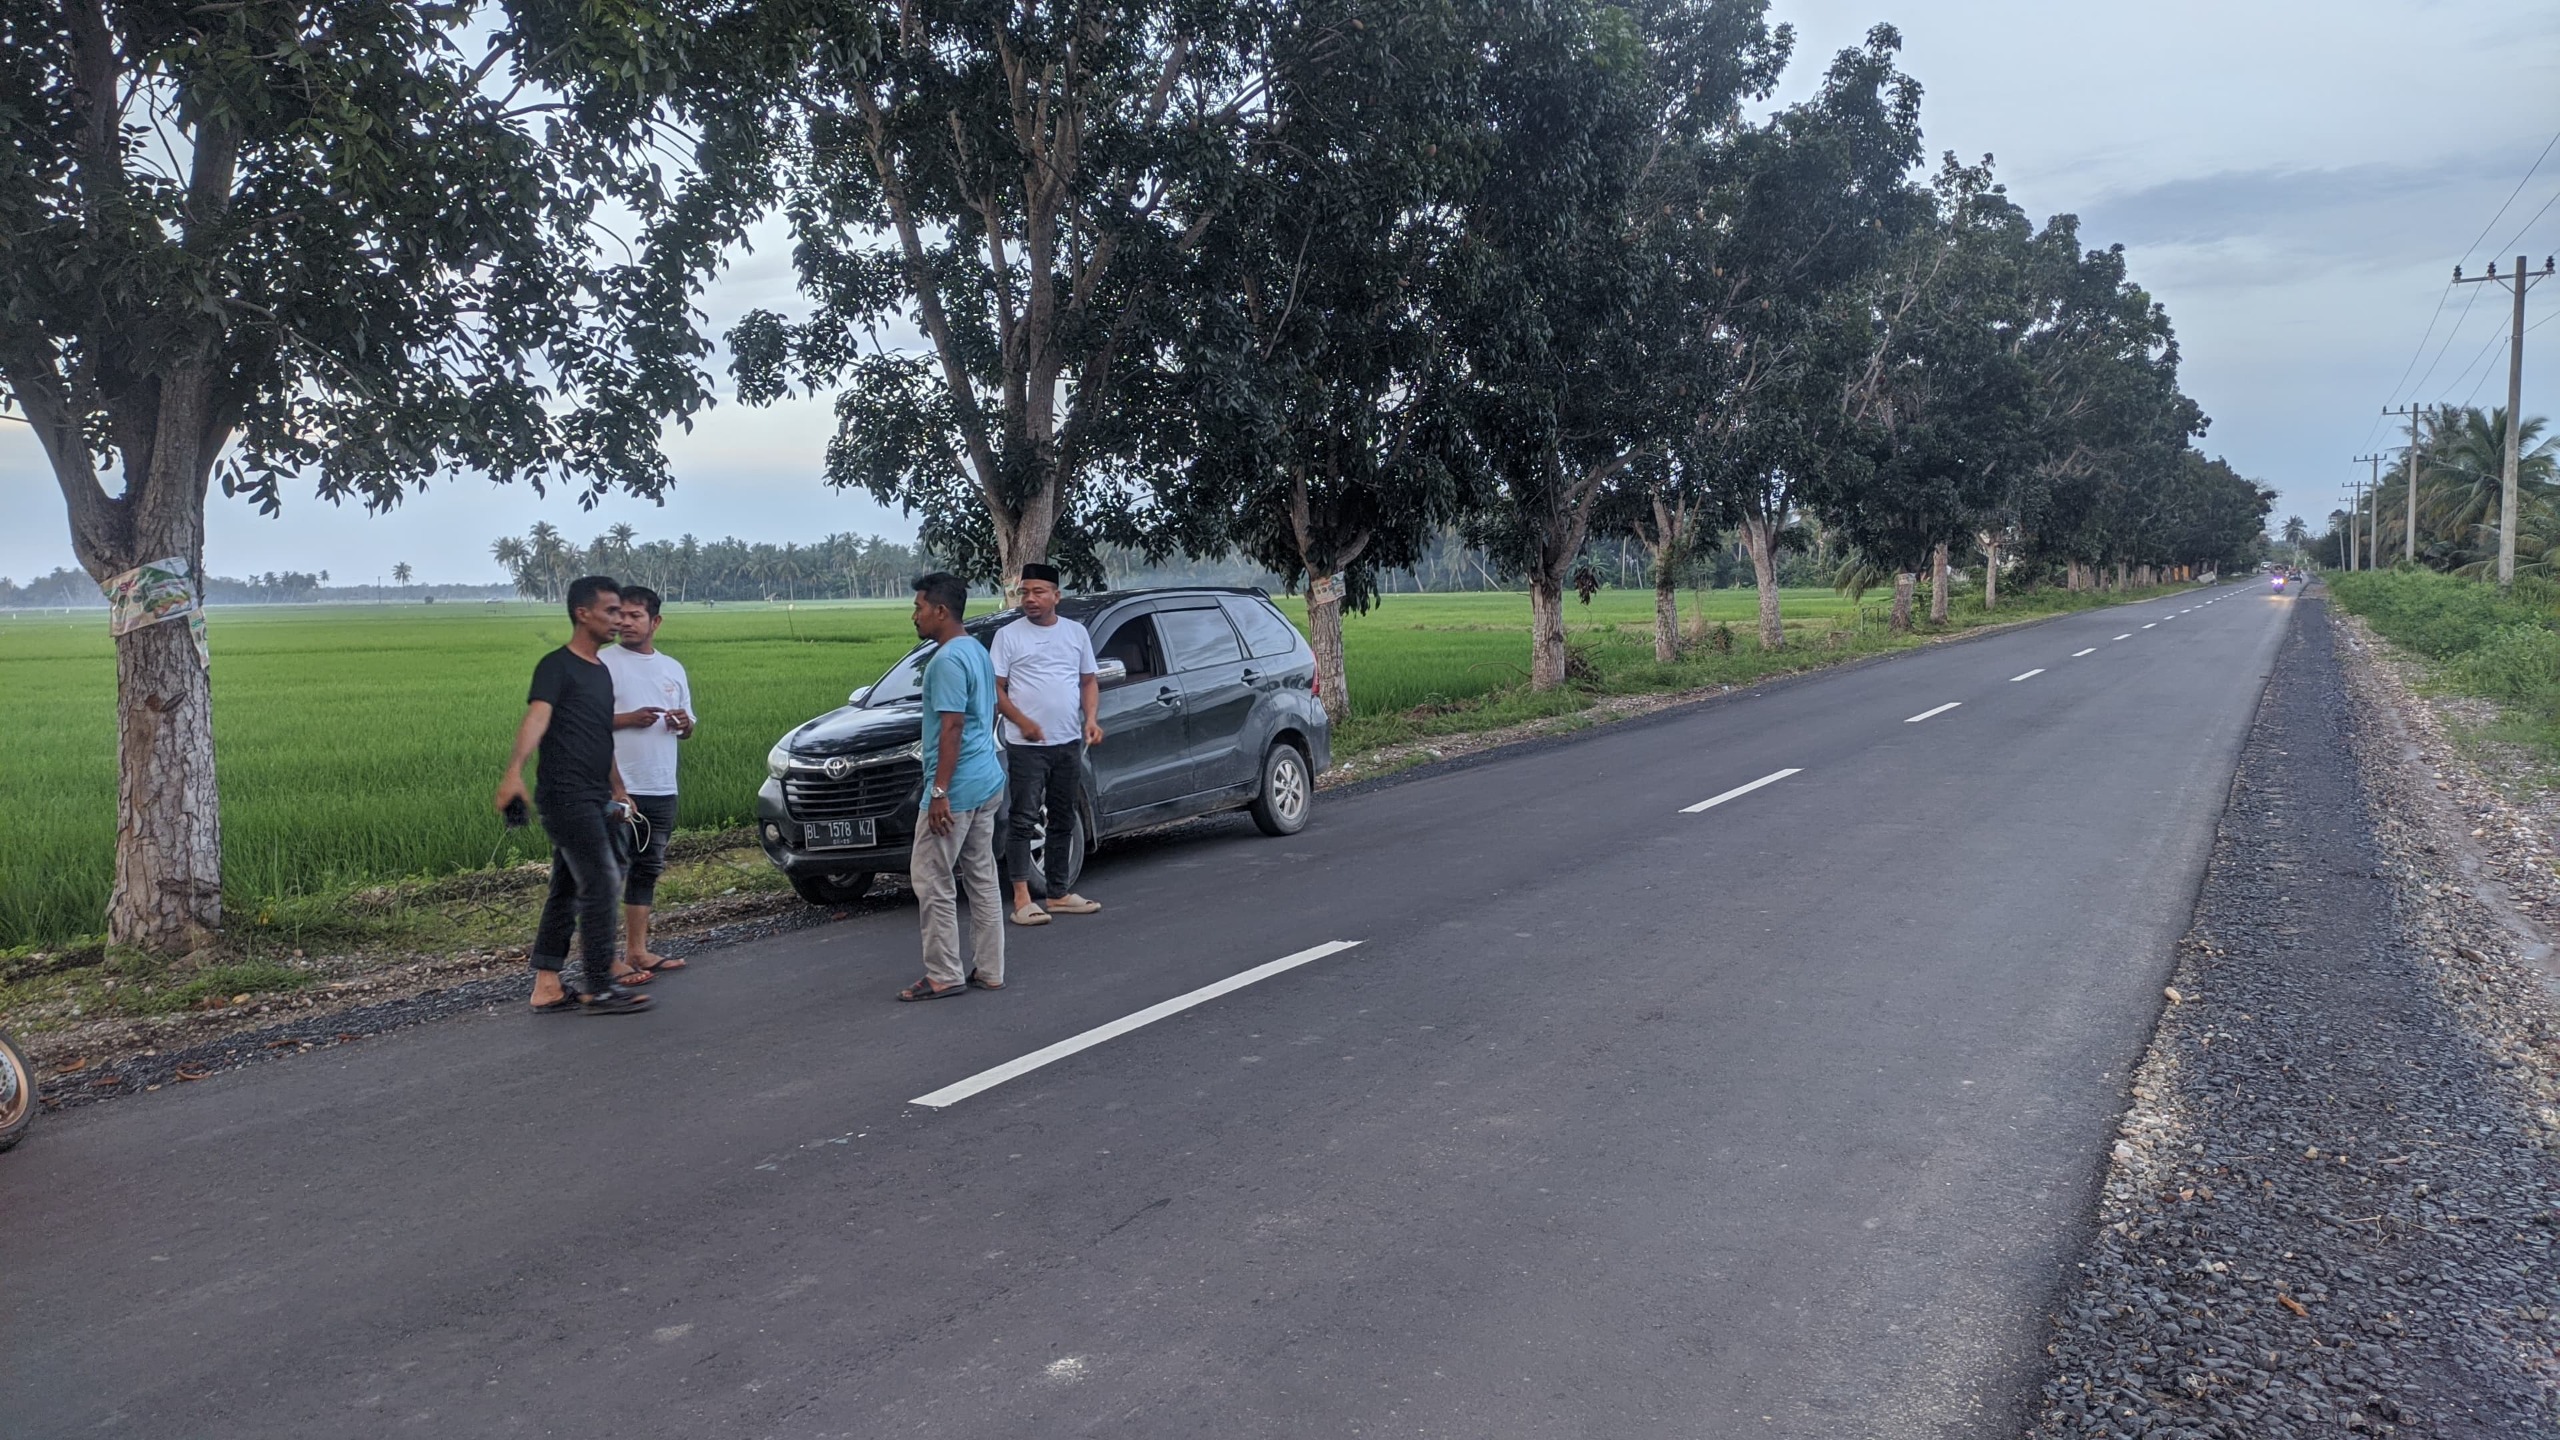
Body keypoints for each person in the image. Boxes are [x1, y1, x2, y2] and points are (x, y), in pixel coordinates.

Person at [494, 575, 651, 1014]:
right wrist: (513, 772)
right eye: (611, 611)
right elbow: (537, 718)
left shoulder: (600, 672)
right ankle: (598, 986)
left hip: (596, 794)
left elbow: (601, 736)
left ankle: (547, 985)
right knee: (601, 881)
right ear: (583, 613)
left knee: (566, 887)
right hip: (565, 796)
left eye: (622, 612)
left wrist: (619, 788)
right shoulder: (557, 666)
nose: (619, 620)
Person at [899, 572, 1007, 1001]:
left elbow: (952, 727)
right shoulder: (976, 650)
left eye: (919, 607)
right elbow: (989, 711)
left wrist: (939, 792)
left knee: (932, 878)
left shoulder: (945, 661)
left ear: (941, 611)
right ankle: (991, 970)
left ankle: (944, 973)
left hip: (957, 789)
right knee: (981, 875)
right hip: (987, 779)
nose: (915, 616)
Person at [991, 562, 1105, 926]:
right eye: (1024, 592)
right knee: (1024, 818)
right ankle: (1022, 899)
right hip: (1026, 746)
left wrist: (1091, 719)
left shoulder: (1075, 633)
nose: (1030, 599)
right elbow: (996, 688)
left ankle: (1058, 893)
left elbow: (1088, 681)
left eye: (1038, 592)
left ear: (1056, 596)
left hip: (1067, 740)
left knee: (1062, 816)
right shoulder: (1008, 636)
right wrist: (1022, 721)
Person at [603, 585, 694, 979]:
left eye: (634, 615)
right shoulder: (603, 663)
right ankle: (604, 958)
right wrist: (629, 719)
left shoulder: (672, 668)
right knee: (609, 872)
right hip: (617, 787)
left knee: (647, 868)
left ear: (655, 621)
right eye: (620, 615)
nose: (625, 622)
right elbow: (585, 723)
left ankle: (637, 951)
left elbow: (688, 726)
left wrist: (683, 723)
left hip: (661, 786)